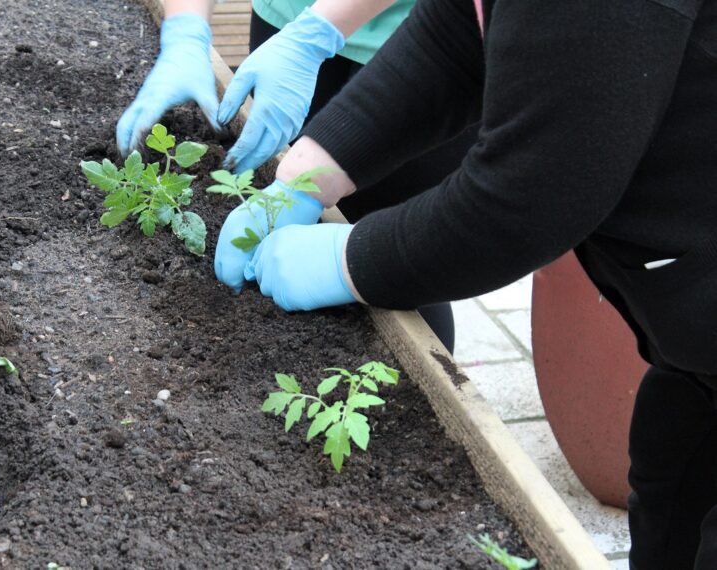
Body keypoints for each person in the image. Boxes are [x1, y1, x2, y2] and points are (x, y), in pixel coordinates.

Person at [219, 0, 717, 568]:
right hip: (695, 348)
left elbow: (528, 199)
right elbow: (458, 33)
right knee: (671, 497)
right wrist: (310, 172)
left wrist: (349, 260)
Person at [116, 0, 465, 352]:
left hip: (422, 37)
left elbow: (485, 216)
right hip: (287, 22)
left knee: (404, 294)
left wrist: (358, 262)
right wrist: (185, 30)